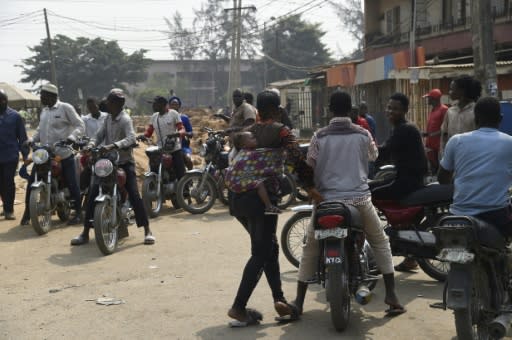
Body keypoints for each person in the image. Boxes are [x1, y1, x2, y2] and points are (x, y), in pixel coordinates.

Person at [291, 91, 405, 318]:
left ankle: (298, 302)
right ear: (350, 109)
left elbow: (309, 166)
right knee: (380, 242)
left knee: (310, 249)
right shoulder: (362, 134)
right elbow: (374, 156)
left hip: (326, 202)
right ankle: (391, 296)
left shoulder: (319, 137)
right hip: (359, 200)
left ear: (330, 110)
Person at [227, 90, 314, 326]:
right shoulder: (281, 131)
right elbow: (297, 159)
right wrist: (313, 188)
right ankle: (238, 307)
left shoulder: (247, 133)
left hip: (237, 199)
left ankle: (280, 300)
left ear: (257, 110)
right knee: (261, 252)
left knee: (269, 247)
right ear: (278, 109)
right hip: (261, 200)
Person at [70, 89, 155, 246]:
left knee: (134, 195)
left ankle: (147, 230)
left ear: (118, 104)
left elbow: (131, 138)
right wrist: (90, 145)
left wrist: (113, 146)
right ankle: (85, 233)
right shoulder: (108, 118)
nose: (107, 104)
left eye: (109, 102)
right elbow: (99, 135)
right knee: (92, 193)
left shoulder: (125, 119)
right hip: (107, 162)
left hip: (124, 162)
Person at [438, 96, 512, 236]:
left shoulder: (456, 140)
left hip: (458, 214)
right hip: (496, 216)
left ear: (475, 118)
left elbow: (442, 178)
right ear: (500, 118)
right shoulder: (509, 143)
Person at [372, 93, 428, 272]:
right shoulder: (401, 127)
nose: (390, 111)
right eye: (389, 107)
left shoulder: (404, 129)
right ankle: (405, 246)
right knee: (373, 186)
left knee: (368, 193)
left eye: (395, 109)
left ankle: (381, 243)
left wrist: (362, 154)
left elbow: (384, 153)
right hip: (408, 178)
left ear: (405, 111)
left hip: (408, 181)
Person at [21, 83, 85, 225]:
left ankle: (79, 213)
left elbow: (80, 125)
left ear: (52, 96)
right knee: (32, 181)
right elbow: (39, 131)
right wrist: (31, 139)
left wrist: (72, 138)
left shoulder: (65, 108)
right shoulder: (44, 111)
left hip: (63, 153)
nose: (41, 98)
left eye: (43, 95)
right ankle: (27, 213)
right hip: (45, 154)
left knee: (72, 182)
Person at [225, 131, 281, 215]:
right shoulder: (250, 154)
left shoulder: (244, 152)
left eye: (254, 137)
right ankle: (269, 206)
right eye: (251, 138)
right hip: (236, 182)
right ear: (243, 144)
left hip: (233, 180)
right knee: (259, 184)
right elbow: (260, 167)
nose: (255, 139)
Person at [142, 96, 186, 180]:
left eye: (155, 104)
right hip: (160, 149)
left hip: (174, 149)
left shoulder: (173, 113)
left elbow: (182, 128)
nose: (153, 106)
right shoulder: (154, 116)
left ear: (162, 105)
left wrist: (178, 133)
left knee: (180, 172)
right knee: (154, 169)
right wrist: (143, 136)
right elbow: (149, 131)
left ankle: (185, 190)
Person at [0, 89, 28, 220]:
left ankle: (9, 210)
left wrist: (25, 155)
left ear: (4, 101)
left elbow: (22, 138)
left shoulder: (15, 116)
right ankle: (5, 205)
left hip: (10, 156)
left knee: (8, 181)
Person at [440, 75, 482, 154]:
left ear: (462, 91)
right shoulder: (450, 111)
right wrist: (443, 156)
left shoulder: (476, 111)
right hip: (453, 157)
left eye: (452, 89)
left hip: (471, 156)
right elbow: (444, 135)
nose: (449, 92)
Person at [422, 89, 448, 174]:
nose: (428, 100)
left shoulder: (444, 109)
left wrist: (431, 134)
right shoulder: (433, 110)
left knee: (440, 168)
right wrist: (427, 134)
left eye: (429, 98)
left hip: (439, 145)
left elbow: (446, 128)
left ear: (434, 99)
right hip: (431, 144)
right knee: (433, 167)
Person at [169, 96, 193, 170]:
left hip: (183, 147)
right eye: (172, 104)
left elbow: (191, 133)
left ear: (179, 106)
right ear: (169, 106)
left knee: (189, 160)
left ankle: (190, 178)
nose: (174, 106)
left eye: (175, 104)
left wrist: (184, 134)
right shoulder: (166, 117)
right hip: (168, 146)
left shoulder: (184, 118)